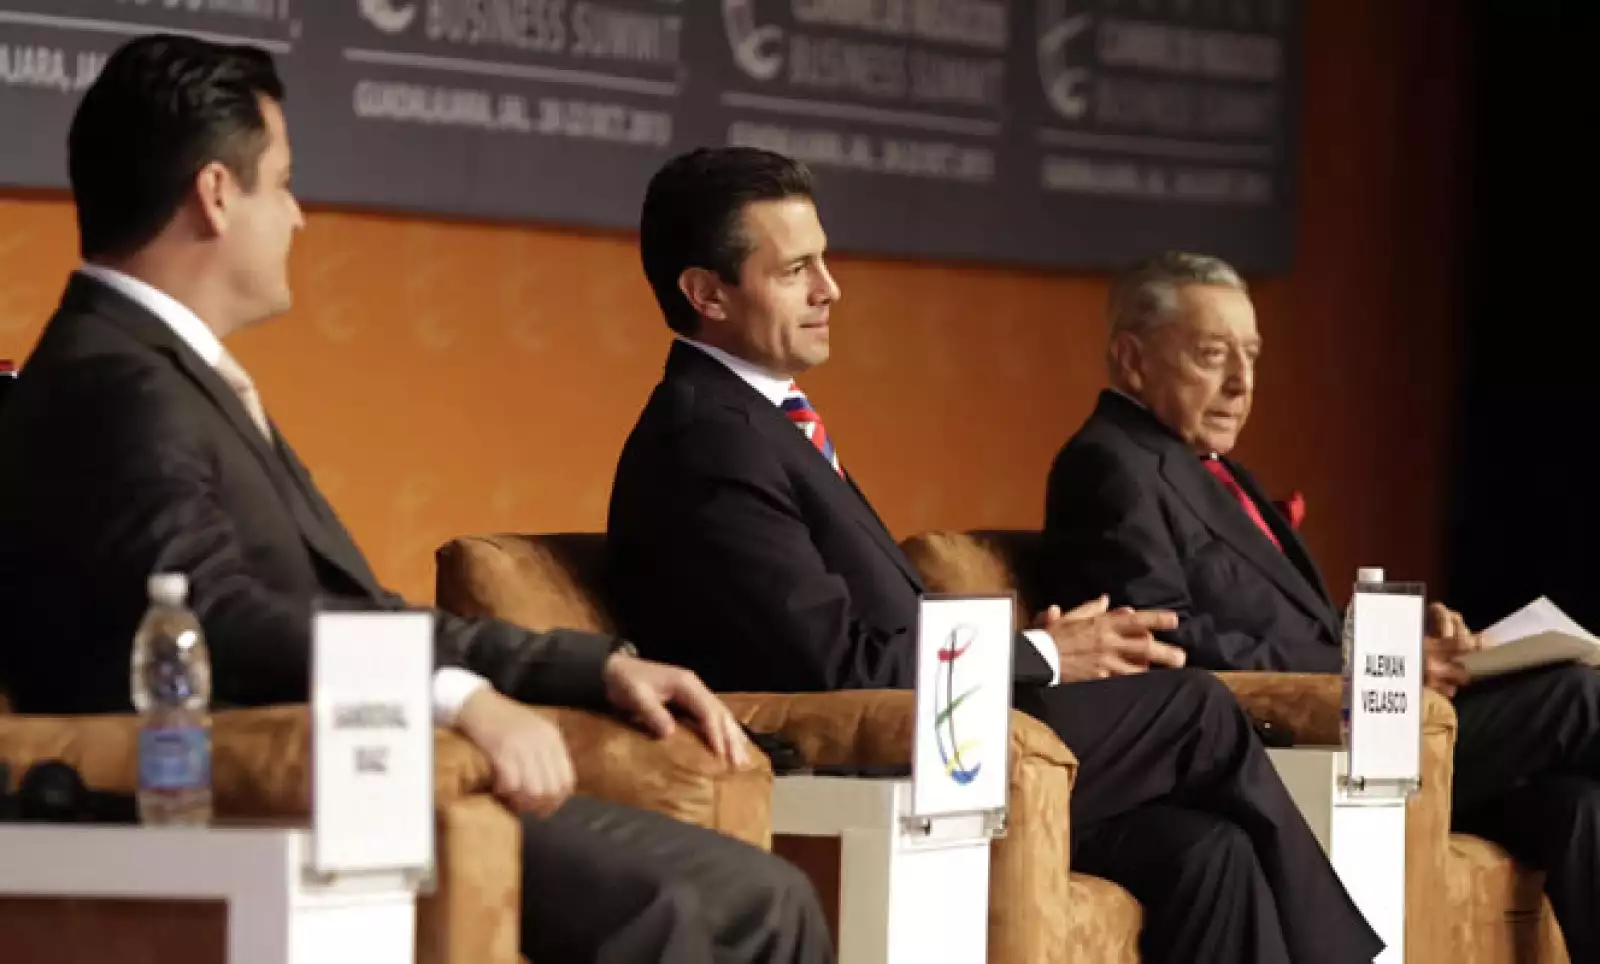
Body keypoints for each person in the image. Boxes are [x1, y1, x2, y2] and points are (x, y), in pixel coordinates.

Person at [0, 35, 830, 964]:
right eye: (283, 183)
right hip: (269, 801)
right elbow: (210, 621)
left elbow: (347, 611)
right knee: (733, 906)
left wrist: (585, 670)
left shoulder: (164, 371)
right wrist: (453, 698)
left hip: (357, 774)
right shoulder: (114, 381)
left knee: (763, 896)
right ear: (217, 194)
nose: (300, 217)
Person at [605, 147, 1384, 964]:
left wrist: (1029, 655)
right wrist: (1042, 655)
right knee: (1192, 707)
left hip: (930, 733)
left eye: (824, 261)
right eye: (797, 268)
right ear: (707, 292)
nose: (831, 289)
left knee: (1203, 854)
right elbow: (832, 661)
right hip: (856, 764)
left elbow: (857, 632)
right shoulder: (709, 436)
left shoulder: (759, 420)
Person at [1039, 250, 1599, 962]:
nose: (1241, 385)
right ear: (1132, 359)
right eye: (1213, 356)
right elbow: (1165, 638)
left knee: (1579, 807)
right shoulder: (1109, 463)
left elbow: (1281, 620)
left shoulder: (1209, 465)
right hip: (1292, 742)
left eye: (1250, 356)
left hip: (1362, 719)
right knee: (1578, 696)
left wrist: (1398, 635)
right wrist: (1374, 661)